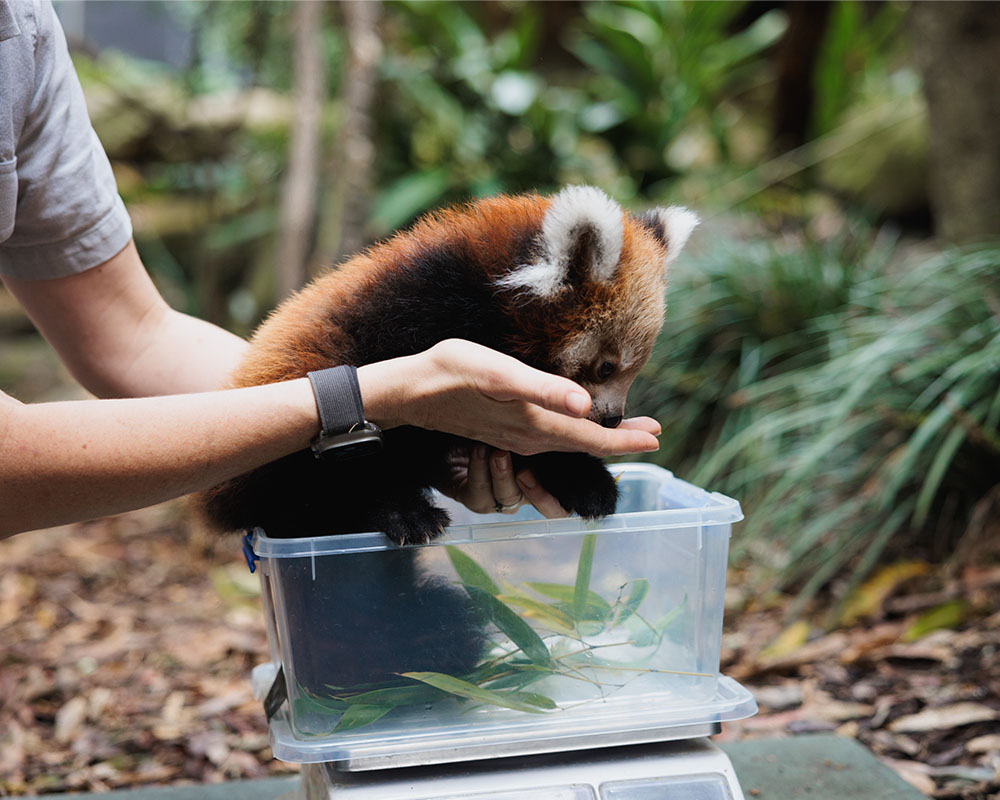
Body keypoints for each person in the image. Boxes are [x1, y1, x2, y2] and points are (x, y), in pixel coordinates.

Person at [0, 0, 659, 540]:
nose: (612, 401)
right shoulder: (443, 293)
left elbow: (134, 334)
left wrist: (463, 443)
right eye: (607, 370)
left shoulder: (26, 32)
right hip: (294, 478)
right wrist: (368, 402)